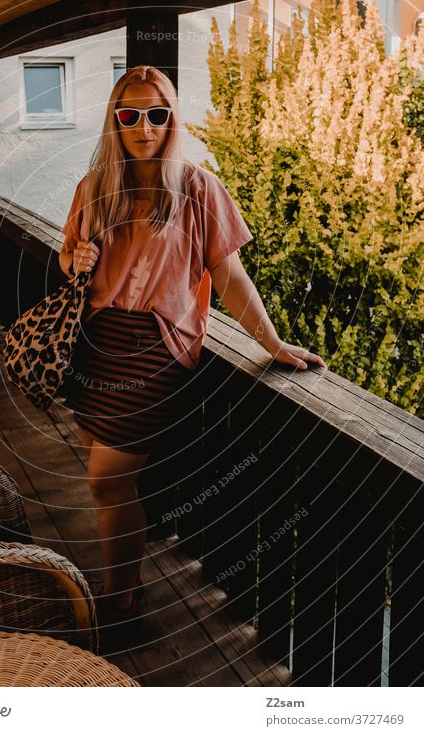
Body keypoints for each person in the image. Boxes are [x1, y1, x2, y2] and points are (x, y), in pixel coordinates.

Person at [58, 64, 326, 643]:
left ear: (171, 118)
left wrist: (272, 342)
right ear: (115, 120)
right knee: (110, 485)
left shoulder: (198, 188)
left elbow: (230, 277)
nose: (144, 126)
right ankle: (124, 583)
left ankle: (118, 599)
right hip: (96, 340)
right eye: (130, 115)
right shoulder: (95, 187)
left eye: (157, 114)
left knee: (105, 479)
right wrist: (76, 258)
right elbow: (68, 256)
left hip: (157, 346)